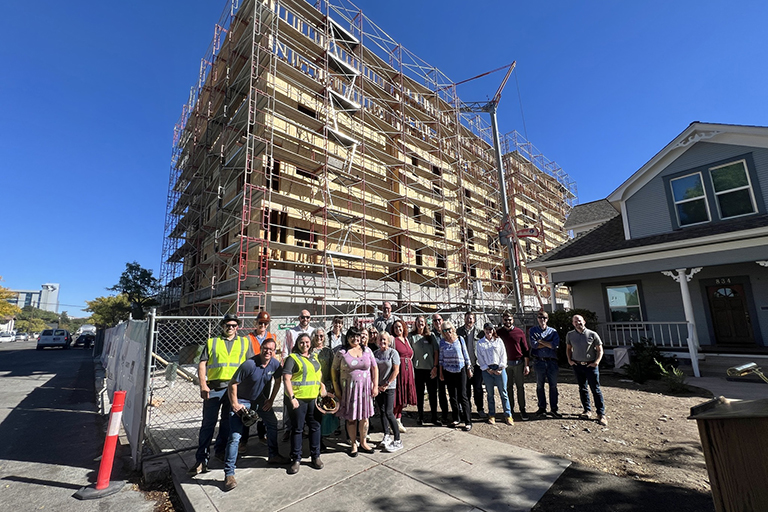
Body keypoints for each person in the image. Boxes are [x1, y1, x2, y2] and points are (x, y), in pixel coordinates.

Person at [188, 314, 250, 476]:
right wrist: (203, 384)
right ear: (222, 326)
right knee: (208, 424)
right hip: (214, 389)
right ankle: (201, 459)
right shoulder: (212, 342)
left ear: (238, 327)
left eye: (233, 325)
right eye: (227, 325)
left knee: (228, 423)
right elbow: (202, 364)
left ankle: (220, 451)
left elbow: (249, 365)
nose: (230, 328)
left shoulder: (244, 342)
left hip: (234, 390)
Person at [223, 339, 287, 491]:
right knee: (235, 437)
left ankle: (273, 455)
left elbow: (278, 381)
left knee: (272, 423)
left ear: (274, 351)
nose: (268, 351)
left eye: (271, 349)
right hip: (242, 401)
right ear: (261, 348)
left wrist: (271, 400)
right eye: (265, 348)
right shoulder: (249, 365)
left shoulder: (275, 364)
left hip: (260, 400)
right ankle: (229, 474)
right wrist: (235, 404)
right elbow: (232, 383)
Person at [282, 332, 327, 474]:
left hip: (313, 399)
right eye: (302, 342)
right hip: (298, 400)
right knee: (298, 429)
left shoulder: (314, 358)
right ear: (297, 344)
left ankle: (316, 456)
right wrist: (292, 398)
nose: (305, 345)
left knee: (315, 427)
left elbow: (317, 374)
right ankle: (296, 459)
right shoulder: (292, 358)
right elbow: (286, 378)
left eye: (307, 342)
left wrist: (322, 386)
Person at [332, 327, 379, 456]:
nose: (355, 339)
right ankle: (353, 443)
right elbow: (334, 370)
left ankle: (363, 442)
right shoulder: (341, 352)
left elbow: (374, 368)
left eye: (357, 336)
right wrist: (337, 390)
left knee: (365, 417)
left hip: (365, 390)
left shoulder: (367, 350)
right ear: (347, 338)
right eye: (352, 336)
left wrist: (375, 386)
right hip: (349, 390)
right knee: (351, 418)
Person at [566, 315, 607, 426]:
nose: (577, 323)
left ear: (584, 321)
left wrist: (596, 362)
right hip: (578, 365)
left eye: (579, 321)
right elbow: (569, 348)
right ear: (573, 323)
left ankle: (601, 413)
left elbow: (600, 350)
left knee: (595, 389)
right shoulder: (570, 335)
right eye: (575, 321)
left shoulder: (592, 334)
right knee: (582, 388)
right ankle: (587, 410)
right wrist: (570, 360)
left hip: (591, 366)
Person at [281, 309, 315, 440]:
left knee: (308, 403)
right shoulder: (291, 332)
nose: (305, 319)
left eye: (307, 317)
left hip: (308, 370)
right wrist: (287, 368)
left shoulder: (313, 331)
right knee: (290, 401)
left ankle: (304, 428)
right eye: (302, 317)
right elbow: (285, 350)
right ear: (299, 318)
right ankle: (288, 428)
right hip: (294, 370)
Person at [438, 320, 473, 431]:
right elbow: (441, 359)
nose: (448, 332)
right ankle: (456, 418)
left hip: (460, 369)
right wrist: (441, 372)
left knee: (463, 395)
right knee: (452, 396)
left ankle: (468, 421)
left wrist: (468, 368)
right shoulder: (442, 342)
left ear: (452, 329)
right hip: (448, 370)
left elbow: (465, 354)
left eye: (449, 329)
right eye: (445, 330)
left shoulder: (460, 339)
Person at [475, 323, 512, 425]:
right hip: (487, 370)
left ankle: (508, 415)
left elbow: (503, 355)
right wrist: (487, 369)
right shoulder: (480, 343)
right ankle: (491, 415)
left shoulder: (499, 341)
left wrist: (501, 367)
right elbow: (480, 357)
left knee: (503, 393)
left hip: (499, 368)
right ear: (484, 330)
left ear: (493, 330)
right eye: (487, 329)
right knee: (490, 394)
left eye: (490, 330)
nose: (489, 332)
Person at [497, 311, 530, 421]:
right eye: (506, 320)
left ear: (513, 320)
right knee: (508, 388)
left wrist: (526, 365)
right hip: (505, 365)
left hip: (518, 363)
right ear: (503, 320)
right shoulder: (499, 333)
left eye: (510, 319)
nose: (508, 322)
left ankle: (522, 409)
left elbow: (525, 350)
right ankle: (510, 409)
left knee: (520, 387)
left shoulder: (519, 332)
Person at [409, 316, 440, 426]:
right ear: (415, 323)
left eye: (422, 322)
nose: (420, 324)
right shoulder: (411, 336)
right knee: (419, 394)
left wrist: (435, 366)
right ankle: (420, 416)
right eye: (418, 322)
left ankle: (434, 417)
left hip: (430, 369)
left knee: (432, 394)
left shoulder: (431, 336)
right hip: (417, 370)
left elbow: (436, 351)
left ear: (425, 323)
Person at [374, 332, 402, 452]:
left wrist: (387, 383)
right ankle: (386, 435)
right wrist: (376, 385)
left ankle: (397, 439)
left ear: (389, 341)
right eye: (380, 340)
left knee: (389, 412)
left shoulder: (393, 353)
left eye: (384, 340)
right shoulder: (375, 353)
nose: (382, 342)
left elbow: (396, 370)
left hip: (389, 387)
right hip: (378, 387)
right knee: (382, 411)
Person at [530, 311, 561, 418]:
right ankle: (541, 408)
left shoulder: (553, 331)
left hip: (551, 361)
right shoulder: (533, 330)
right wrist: (547, 343)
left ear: (547, 319)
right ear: (537, 318)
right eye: (540, 317)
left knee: (553, 386)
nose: (542, 319)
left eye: (544, 317)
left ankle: (554, 409)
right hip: (539, 361)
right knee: (540, 386)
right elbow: (534, 345)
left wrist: (541, 342)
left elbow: (554, 345)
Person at [312, 328, 339, 443]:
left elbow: (333, 368)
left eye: (321, 336)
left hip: (327, 385)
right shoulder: (310, 351)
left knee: (327, 410)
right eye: (317, 335)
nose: (319, 338)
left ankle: (325, 434)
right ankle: (318, 439)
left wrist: (334, 384)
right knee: (317, 412)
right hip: (314, 385)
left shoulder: (328, 351)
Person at [456, 311, 485, 419]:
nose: (469, 320)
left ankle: (480, 409)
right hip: (464, 365)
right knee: (465, 389)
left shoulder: (480, 332)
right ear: (464, 319)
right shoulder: (459, 332)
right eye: (468, 318)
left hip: (476, 365)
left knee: (478, 388)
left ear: (474, 320)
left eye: (471, 318)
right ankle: (466, 409)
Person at [391, 319, 417, 433]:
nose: (398, 329)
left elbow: (411, 355)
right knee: (397, 396)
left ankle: (398, 419)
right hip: (399, 371)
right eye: (396, 327)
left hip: (408, 371)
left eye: (400, 327)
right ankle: (391, 421)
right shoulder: (393, 340)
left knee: (404, 396)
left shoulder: (406, 339)